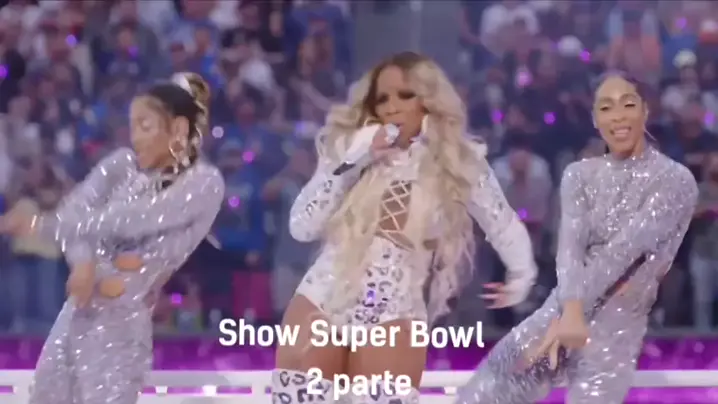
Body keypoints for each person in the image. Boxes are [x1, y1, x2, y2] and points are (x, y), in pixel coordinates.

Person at [273, 51, 537, 403]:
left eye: (405, 95)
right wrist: (357, 160)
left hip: (394, 311)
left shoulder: (457, 160)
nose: (392, 107)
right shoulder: (352, 148)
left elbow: (502, 222)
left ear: (428, 100)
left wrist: (521, 277)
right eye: (382, 99)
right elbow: (302, 226)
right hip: (321, 298)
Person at [454, 71, 698, 404]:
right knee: (481, 392)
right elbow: (569, 250)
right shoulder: (578, 175)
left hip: (615, 329)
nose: (618, 116)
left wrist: (572, 314)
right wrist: (565, 313)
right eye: (606, 107)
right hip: (559, 311)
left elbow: (624, 253)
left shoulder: (675, 181)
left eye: (627, 104)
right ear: (595, 119)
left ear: (645, 110)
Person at [0, 72, 225, 404]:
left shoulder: (204, 182)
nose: (136, 137)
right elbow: (75, 210)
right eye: (133, 126)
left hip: (120, 326)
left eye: (145, 127)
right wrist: (83, 262)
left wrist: (42, 225)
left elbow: (134, 221)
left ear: (178, 128)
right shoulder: (120, 165)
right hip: (75, 314)